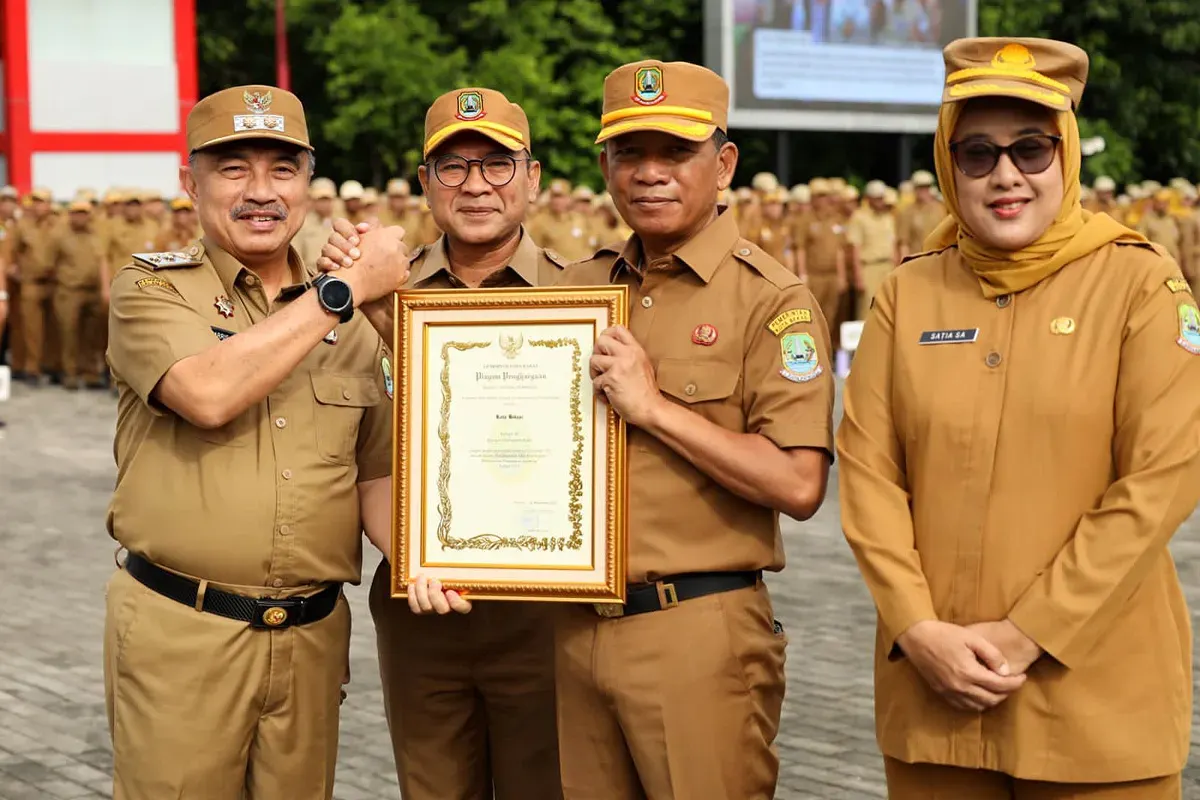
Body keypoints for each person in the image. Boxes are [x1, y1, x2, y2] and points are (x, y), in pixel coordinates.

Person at [837, 38, 1200, 799]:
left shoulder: (1141, 286)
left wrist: (1025, 633)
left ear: (1065, 154)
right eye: (977, 153)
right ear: (948, 164)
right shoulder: (908, 296)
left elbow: (1160, 483)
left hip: (1095, 712)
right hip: (933, 707)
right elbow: (870, 477)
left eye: (1031, 149)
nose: (1006, 174)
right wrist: (915, 628)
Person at [102, 83, 409, 800]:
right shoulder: (151, 290)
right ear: (190, 183)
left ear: (308, 181)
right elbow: (207, 394)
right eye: (233, 168)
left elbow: (375, 479)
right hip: (184, 632)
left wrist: (449, 562)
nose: (260, 191)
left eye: (281, 168)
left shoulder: (356, 318)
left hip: (309, 639)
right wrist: (341, 292)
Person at [556, 59, 834, 800]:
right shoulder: (577, 290)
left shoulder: (772, 299)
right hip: (572, 633)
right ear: (605, 165)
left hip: (698, 630)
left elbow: (799, 484)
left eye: (676, 152)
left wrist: (654, 409)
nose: (650, 173)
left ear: (724, 163)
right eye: (629, 153)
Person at [318, 86, 566, 800]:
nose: (477, 185)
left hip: (546, 613)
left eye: (497, 164)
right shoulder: (372, 293)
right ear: (425, 184)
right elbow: (363, 450)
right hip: (420, 605)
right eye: (453, 167)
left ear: (533, 177)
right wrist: (413, 553)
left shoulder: (583, 296)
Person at [52, 200, 106, 389]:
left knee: (92, 334)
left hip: (92, 291)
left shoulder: (96, 234)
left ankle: (90, 373)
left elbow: (102, 260)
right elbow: (49, 263)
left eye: (84, 213)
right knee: (69, 333)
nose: (80, 217)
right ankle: (70, 373)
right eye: (76, 213)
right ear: (70, 214)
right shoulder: (59, 236)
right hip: (69, 291)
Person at [846, 179, 899, 319]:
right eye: (877, 198)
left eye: (882, 197)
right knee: (867, 308)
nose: (880, 201)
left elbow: (893, 244)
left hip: (888, 266)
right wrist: (858, 277)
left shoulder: (888, 217)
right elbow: (855, 249)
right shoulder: (859, 217)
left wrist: (896, 268)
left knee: (889, 306)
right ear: (868, 199)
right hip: (869, 268)